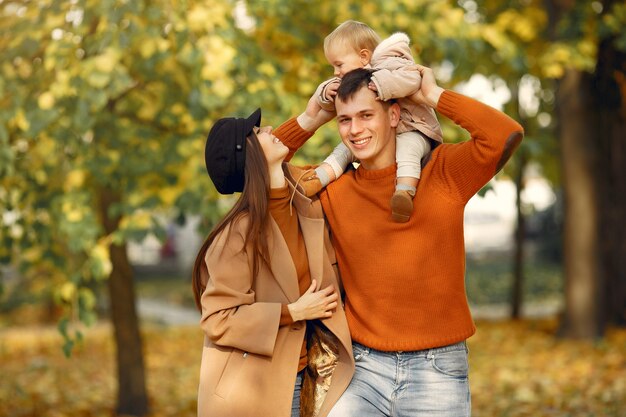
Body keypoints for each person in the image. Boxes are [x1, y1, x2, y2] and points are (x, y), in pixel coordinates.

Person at [276, 66, 524, 416]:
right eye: (345, 120)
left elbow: (504, 134)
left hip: (437, 370)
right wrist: (312, 116)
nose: (355, 129)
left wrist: (431, 96)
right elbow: (254, 168)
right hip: (362, 370)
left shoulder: (443, 173)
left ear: (394, 115)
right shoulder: (333, 188)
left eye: (366, 115)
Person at [192, 108, 354, 417]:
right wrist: (293, 311)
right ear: (248, 156)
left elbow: (339, 159)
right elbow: (217, 318)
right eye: (257, 133)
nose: (269, 129)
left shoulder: (304, 201)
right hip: (261, 388)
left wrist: (317, 113)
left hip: (317, 375)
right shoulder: (237, 234)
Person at [293, 20, 443, 223]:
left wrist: (381, 83)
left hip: (415, 128)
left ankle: (404, 192)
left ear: (363, 56)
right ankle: (318, 178)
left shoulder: (391, 63)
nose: (336, 72)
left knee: (407, 150)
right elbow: (336, 100)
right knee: (344, 150)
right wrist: (324, 94)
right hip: (389, 133)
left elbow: (413, 80)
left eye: (339, 65)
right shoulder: (351, 80)